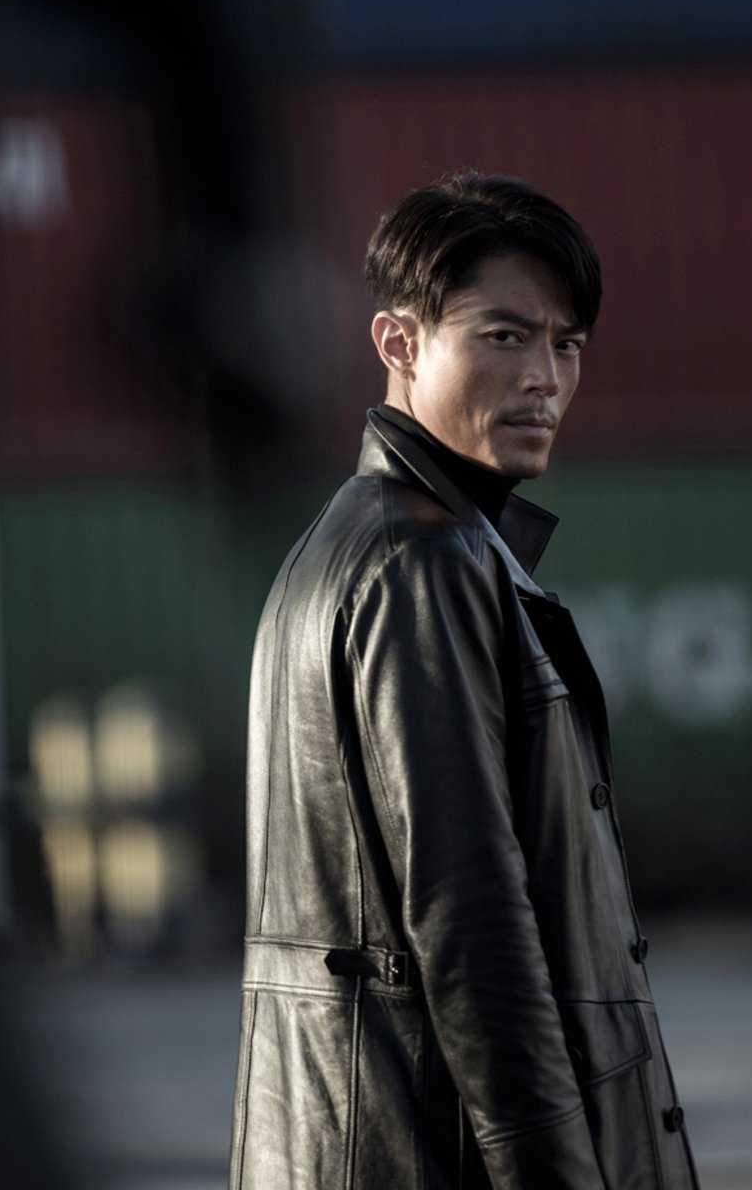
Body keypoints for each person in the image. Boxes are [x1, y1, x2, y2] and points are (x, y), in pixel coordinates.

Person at [227, 172, 701, 1189]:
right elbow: (475, 935)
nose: (544, 378)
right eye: (504, 335)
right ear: (398, 343)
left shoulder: (346, 545)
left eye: (566, 344)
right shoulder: (425, 564)